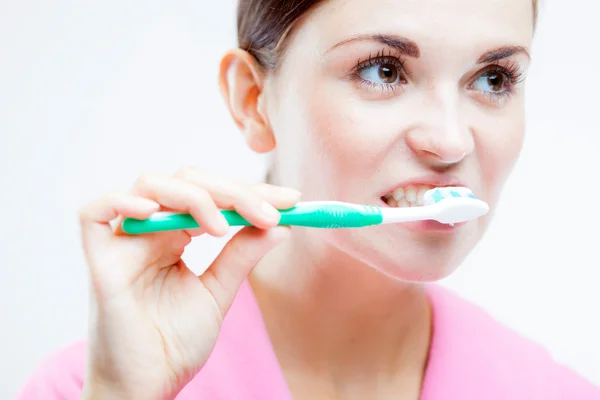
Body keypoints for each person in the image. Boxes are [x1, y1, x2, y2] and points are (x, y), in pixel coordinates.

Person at [17, 0, 600, 399]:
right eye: (383, 70)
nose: (450, 141)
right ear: (252, 101)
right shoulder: (88, 388)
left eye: (493, 78)